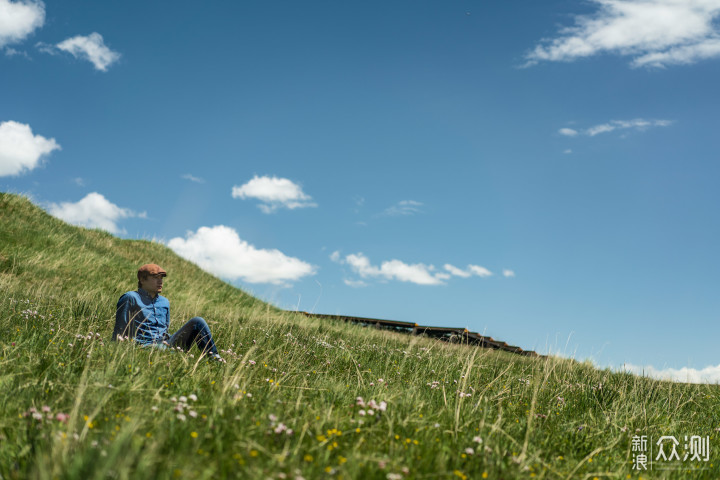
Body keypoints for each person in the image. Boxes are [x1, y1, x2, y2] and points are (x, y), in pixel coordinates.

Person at [113, 263, 225, 362]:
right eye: (155, 277)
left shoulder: (164, 302)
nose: (160, 281)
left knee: (198, 321)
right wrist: (115, 352)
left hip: (166, 344)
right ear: (142, 280)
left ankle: (214, 359)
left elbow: (165, 330)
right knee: (161, 349)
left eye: (161, 278)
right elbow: (120, 329)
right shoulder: (130, 297)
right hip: (145, 347)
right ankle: (174, 356)